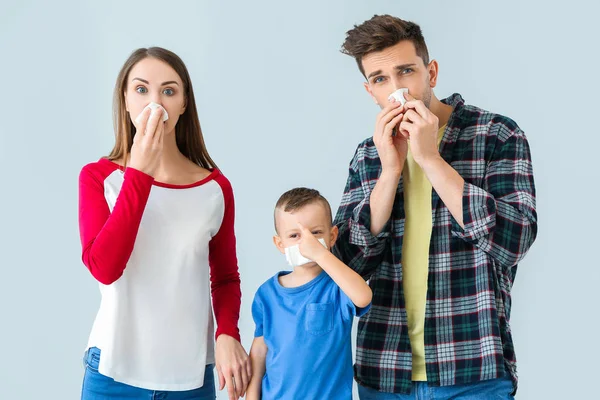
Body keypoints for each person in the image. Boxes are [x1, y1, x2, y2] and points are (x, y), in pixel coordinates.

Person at [332, 15, 538, 399]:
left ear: (432, 72)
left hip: (472, 370)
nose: (397, 91)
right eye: (380, 79)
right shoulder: (368, 155)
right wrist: (390, 170)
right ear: (370, 92)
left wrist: (430, 158)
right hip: (385, 372)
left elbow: (515, 241)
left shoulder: (496, 135)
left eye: (406, 71)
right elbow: (346, 264)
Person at [78, 47, 251, 400]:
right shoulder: (99, 178)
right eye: (141, 90)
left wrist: (227, 334)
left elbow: (225, 278)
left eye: (169, 91)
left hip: (191, 378)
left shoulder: (215, 189)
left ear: (184, 103)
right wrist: (139, 173)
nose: (155, 102)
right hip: (112, 374)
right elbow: (105, 268)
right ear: (125, 100)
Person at [246, 188, 373, 399]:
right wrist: (251, 395)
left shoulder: (338, 285)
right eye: (295, 235)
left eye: (315, 233)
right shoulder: (266, 294)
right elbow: (260, 349)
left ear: (332, 236)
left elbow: (363, 296)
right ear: (280, 244)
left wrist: (321, 254)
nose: (307, 243)